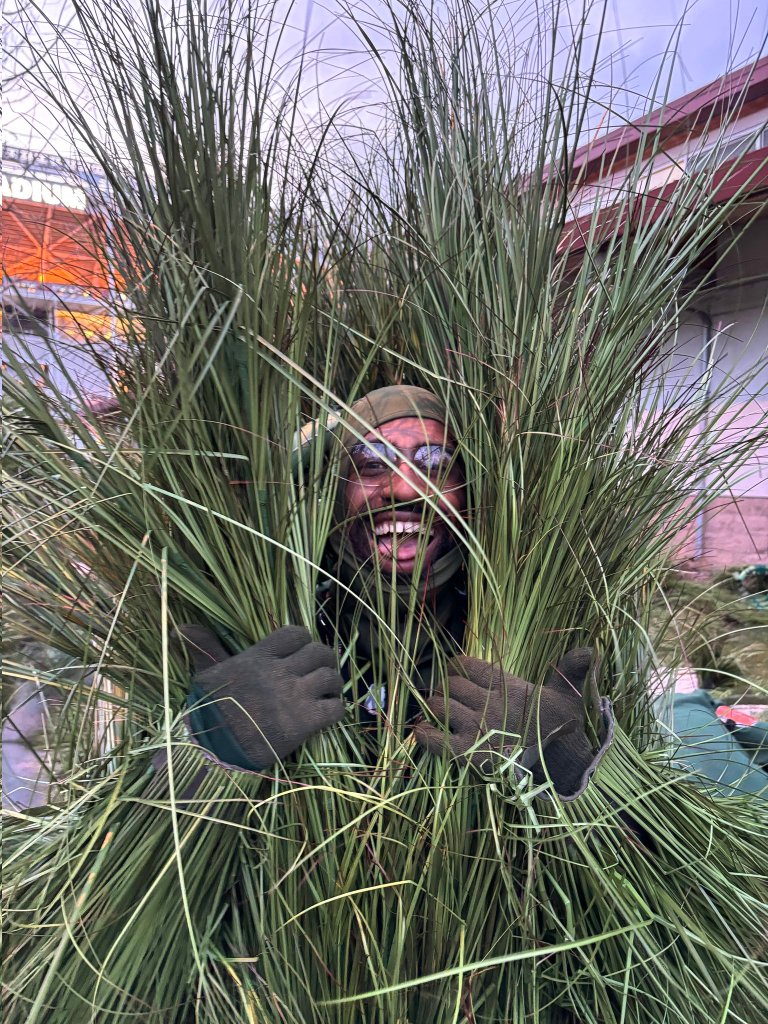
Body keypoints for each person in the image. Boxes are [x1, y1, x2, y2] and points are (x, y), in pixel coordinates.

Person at [181, 385, 615, 799]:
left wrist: (563, 763)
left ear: (471, 497)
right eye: (370, 462)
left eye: (436, 462)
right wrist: (215, 744)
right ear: (333, 494)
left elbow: (641, 837)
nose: (405, 488)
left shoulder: (548, 635)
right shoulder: (262, 636)